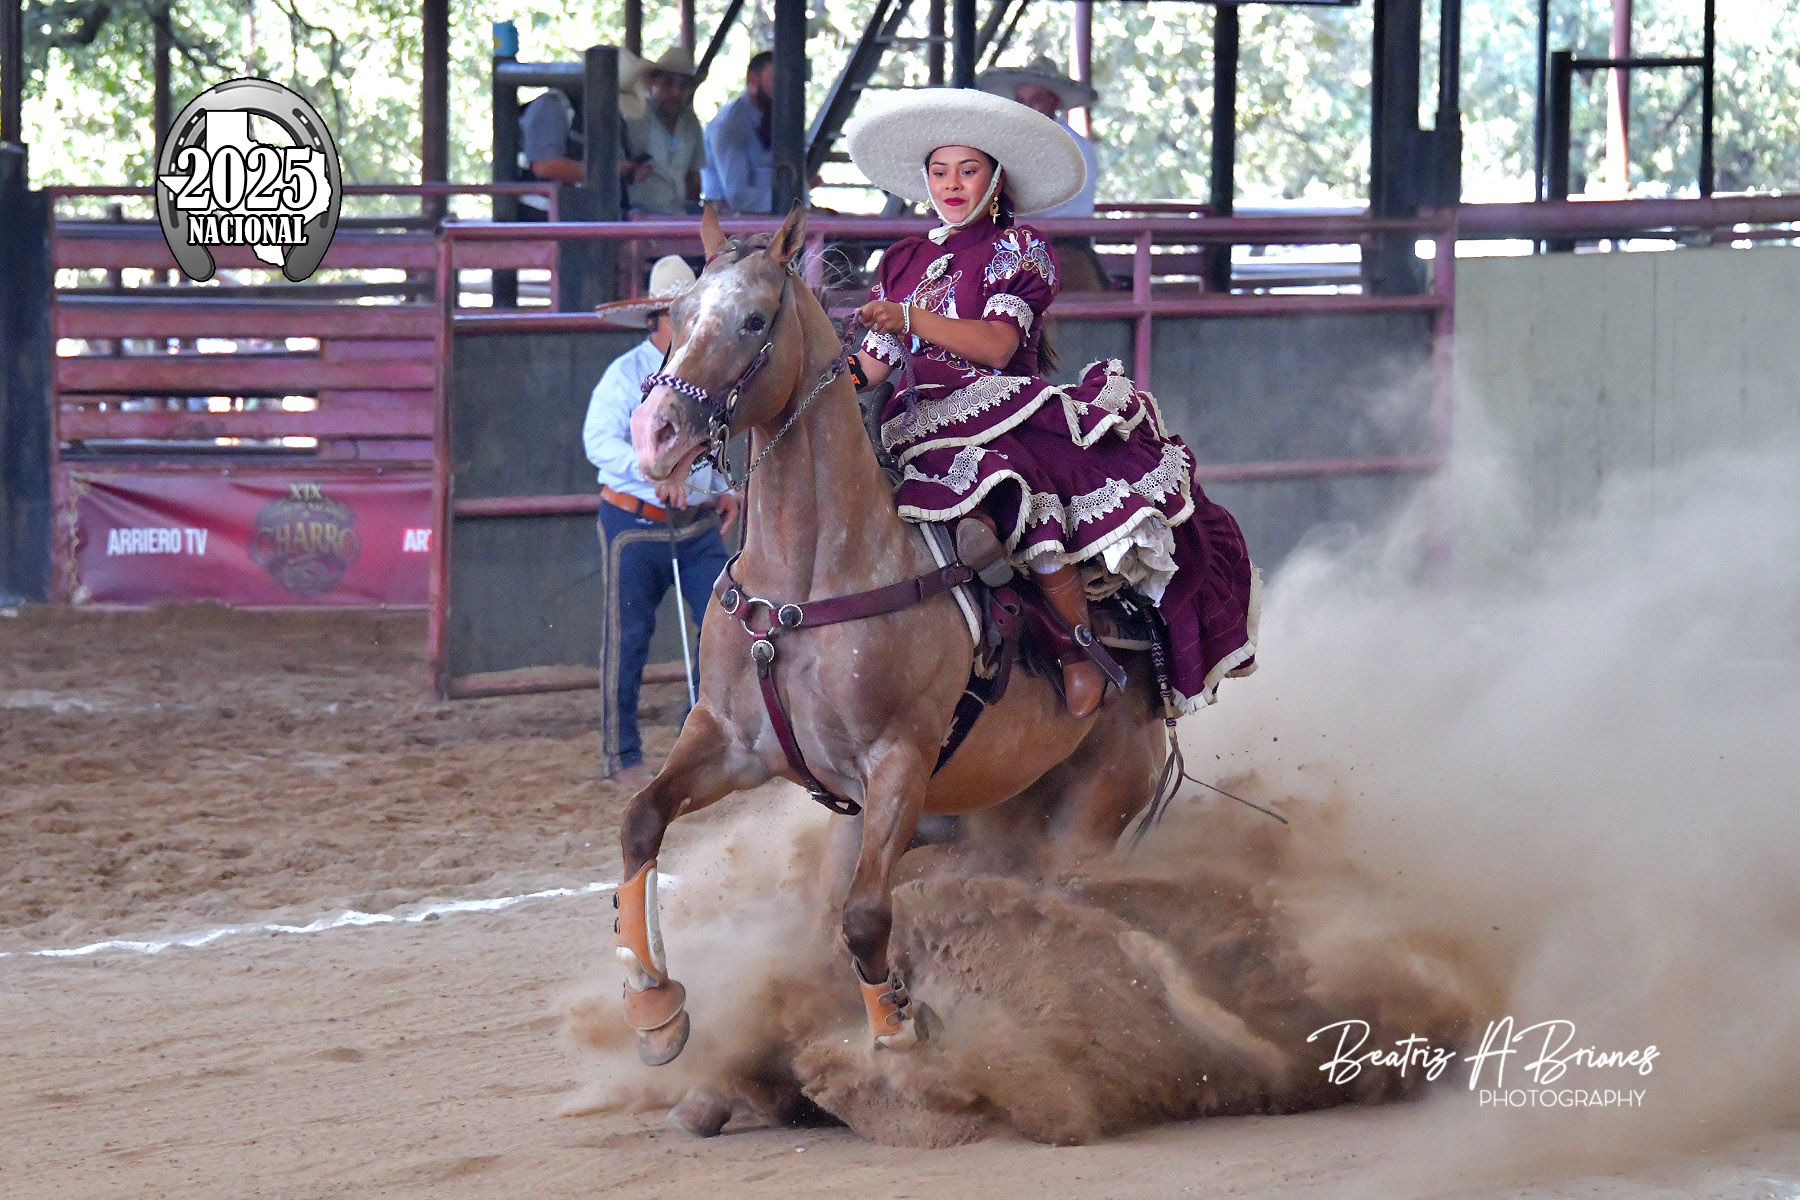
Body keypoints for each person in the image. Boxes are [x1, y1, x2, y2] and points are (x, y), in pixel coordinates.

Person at [841, 88, 1257, 718]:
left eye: (967, 170)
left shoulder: (1020, 248)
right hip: (913, 423)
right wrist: (819, 374)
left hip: (998, 414)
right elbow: (872, 366)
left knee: (1016, 495)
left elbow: (997, 345)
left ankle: (1077, 651)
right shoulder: (904, 260)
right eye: (939, 171)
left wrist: (909, 318)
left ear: (995, 179)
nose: (951, 184)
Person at [585, 255, 742, 785]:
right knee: (628, 639)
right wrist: (654, 471)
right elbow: (597, 442)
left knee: (721, 624)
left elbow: (707, 446)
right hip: (634, 524)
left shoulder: (704, 375)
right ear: (657, 321)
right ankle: (621, 754)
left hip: (694, 523)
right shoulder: (623, 375)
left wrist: (719, 489)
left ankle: (693, 745)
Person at [977, 55, 1110, 291]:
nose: (1027, 108)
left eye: (1036, 100)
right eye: (1022, 100)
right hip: (1022, 245)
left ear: (1054, 102)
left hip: (1060, 246)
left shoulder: (1070, 145)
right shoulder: (1017, 143)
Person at [518, 48, 652, 219]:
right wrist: (610, 171)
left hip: (585, 216)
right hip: (543, 219)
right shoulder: (553, 105)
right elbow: (545, 166)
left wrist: (629, 172)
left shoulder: (612, 119)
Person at [621, 46, 705, 216]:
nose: (676, 92)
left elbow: (693, 177)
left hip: (678, 214)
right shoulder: (635, 115)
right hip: (639, 215)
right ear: (651, 82)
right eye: (668, 83)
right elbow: (619, 169)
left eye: (683, 86)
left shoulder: (691, 122)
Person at [702, 50, 775, 215]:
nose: (784, 90)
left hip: (766, 219)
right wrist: (788, 198)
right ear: (753, 80)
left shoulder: (773, 119)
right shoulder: (730, 124)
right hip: (729, 223)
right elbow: (738, 196)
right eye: (775, 81)